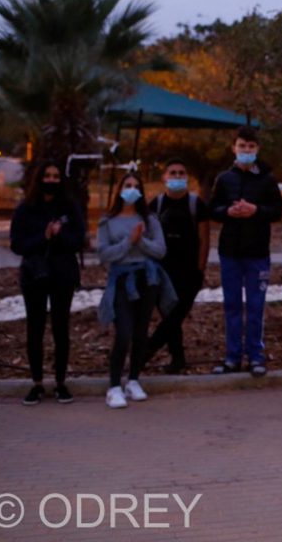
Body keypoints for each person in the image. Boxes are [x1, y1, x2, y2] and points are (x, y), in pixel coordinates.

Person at [209, 125, 282, 377]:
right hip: (230, 251)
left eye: (251, 147)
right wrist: (227, 212)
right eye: (242, 146)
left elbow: (277, 210)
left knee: (255, 306)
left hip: (257, 252)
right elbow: (212, 209)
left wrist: (256, 210)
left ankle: (256, 356)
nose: (246, 150)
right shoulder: (224, 178)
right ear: (234, 148)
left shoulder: (267, 179)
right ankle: (232, 357)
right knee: (231, 305)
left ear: (257, 149)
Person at [9, 161, 85, 405]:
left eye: (55, 176)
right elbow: (17, 244)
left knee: (61, 328)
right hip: (35, 275)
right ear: (39, 178)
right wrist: (43, 236)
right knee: (35, 328)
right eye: (47, 175)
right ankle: (37, 383)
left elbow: (78, 241)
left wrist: (61, 234)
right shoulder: (26, 209)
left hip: (62, 275)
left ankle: (61, 382)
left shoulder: (70, 207)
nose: (51, 180)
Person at [97, 172, 174, 409]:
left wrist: (140, 242)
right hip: (122, 280)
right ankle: (113, 386)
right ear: (120, 190)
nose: (131, 189)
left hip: (147, 279)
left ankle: (133, 380)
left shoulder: (149, 219)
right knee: (124, 333)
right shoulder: (108, 222)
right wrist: (128, 242)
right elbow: (104, 254)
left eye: (135, 186)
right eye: (127, 185)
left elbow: (160, 250)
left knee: (141, 333)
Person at [146, 158, 210, 374]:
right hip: (162, 271)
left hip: (189, 272)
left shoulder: (196, 204)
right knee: (169, 316)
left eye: (181, 173)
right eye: (172, 173)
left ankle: (145, 352)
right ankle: (177, 358)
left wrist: (200, 270)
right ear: (164, 177)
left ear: (187, 178)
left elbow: (204, 239)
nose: (177, 176)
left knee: (176, 315)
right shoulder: (155, 204)